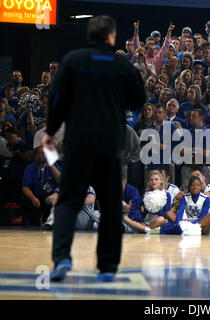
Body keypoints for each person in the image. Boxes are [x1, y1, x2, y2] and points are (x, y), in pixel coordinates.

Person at [43, 16, 146, 282]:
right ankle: (108, 267)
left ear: (90, 36)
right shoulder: (123, 64)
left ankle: (63, 258)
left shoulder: (73, 60)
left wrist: (52, 130)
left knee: (67, 202)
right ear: (111, 37)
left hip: (78, 143)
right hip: (111, 145)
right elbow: (139, 100)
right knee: (111, 205)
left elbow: (56, 100)